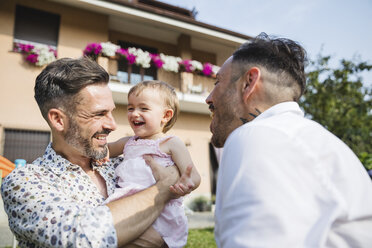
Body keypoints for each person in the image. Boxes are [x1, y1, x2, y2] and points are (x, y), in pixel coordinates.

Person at [206, 33, 372, 247]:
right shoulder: (305, 137)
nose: (209, 97)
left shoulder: (260, 136)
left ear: (249, 83)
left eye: (217, 82)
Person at [1, 57, 182, 248]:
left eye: (111, 112)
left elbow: (168, 230)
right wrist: (164, 189)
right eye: (99, 114)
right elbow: (84, 238)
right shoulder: (25, 181)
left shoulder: (124, 164)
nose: (113, 125)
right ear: (58, 120)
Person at [102, 80, 201, 248]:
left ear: (166, 115)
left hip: (161, 209)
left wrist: (185, 185)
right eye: (130, 108)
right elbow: (104, 150)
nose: (134, 113)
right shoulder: (128, 142)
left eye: (144, 108)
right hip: (127, 202)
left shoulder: (171, 143)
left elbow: (193, 176)